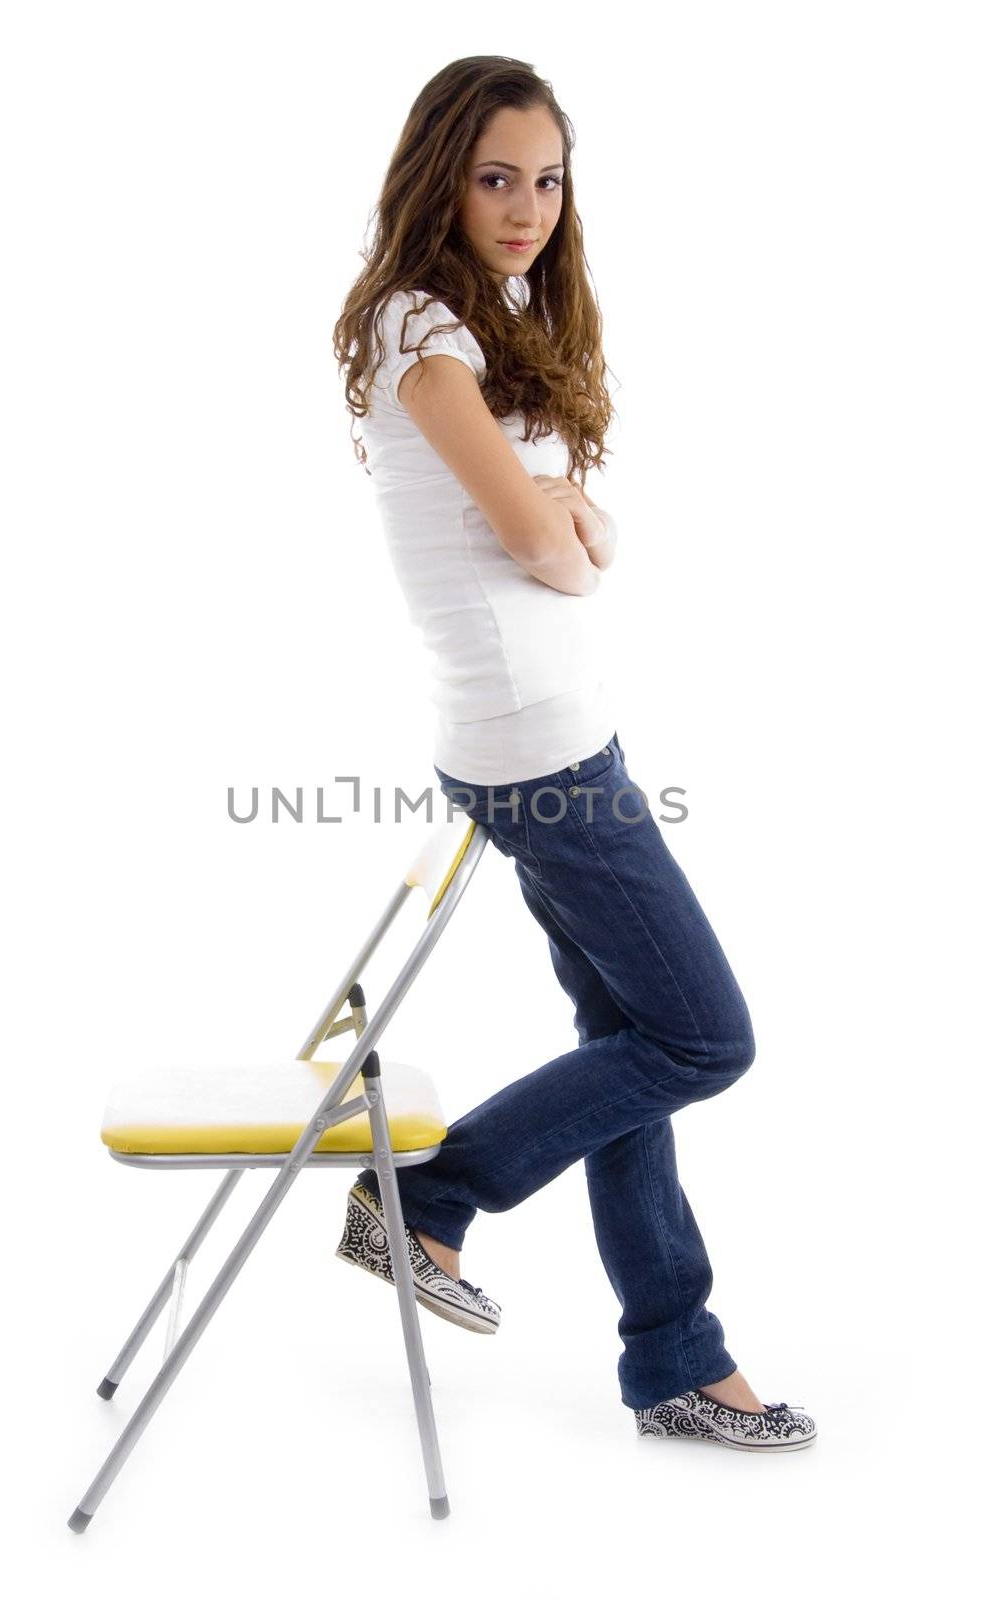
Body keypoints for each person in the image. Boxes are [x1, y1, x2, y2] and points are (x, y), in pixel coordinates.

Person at [330, 56, 815, 1452]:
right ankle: (431, 1199)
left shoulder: (479, 320)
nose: (528, 205)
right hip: (537, 751)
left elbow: (570, 517)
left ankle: (674, 1353)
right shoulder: (426, 332)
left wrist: (570, 527)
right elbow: (550, 542)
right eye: (496, 176)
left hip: (546, 738)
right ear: (440, 175)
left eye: (547, 177)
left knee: (629, 1044)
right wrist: (569, 537)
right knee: (704, 1036)